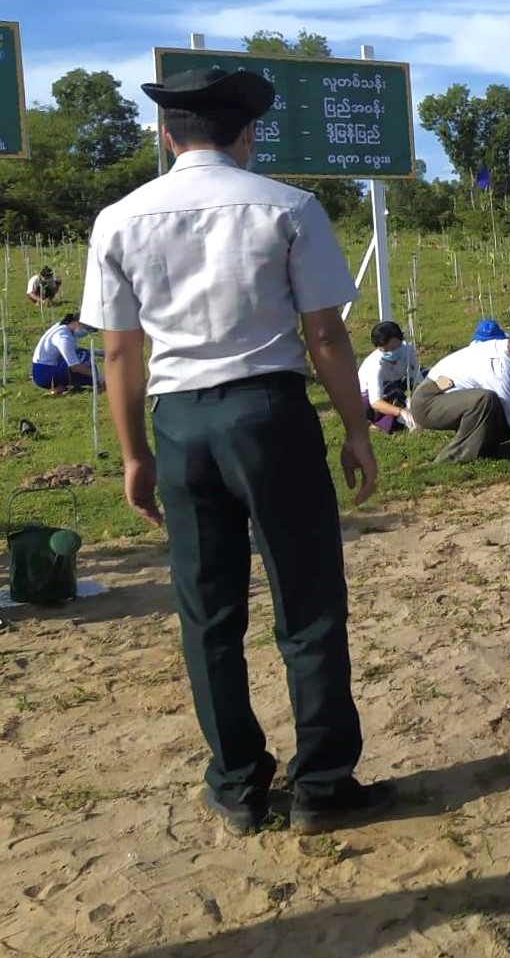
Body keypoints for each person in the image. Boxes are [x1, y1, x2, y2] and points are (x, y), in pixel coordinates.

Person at [81, 66, 388, 836]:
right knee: (308, 601)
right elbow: (325, 334)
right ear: (247, 133)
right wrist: (356, 428)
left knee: (208, 611)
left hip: (180, 423)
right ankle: (322, 784)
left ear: (166, 135)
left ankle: (238, 783)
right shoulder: (289, 208)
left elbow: (120, 353)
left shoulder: (119, 220)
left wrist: (134, 455)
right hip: (270, 416)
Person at [408, 325, 510, 463]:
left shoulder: (501, 348)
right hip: (427, 402)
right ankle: (451, 459)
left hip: (443, 394)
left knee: (503, 419)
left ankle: (483, 451)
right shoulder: (499, 365)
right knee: (484, 401)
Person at [357, 320, 425, 434]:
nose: (392, 353)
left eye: (396, 347)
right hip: (369, 397)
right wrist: (401, 412)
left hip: (395, 385)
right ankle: (377, 422)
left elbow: (417, 378)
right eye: (386, 350)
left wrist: (416, 399)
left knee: (429, 377)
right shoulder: (375, 364)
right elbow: (376, 402)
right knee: (391, 400)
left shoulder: (408, 351)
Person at [30, 314, 94, 391]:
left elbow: (72, 350)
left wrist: (100, 353)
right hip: (46, 374)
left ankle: (61, 385)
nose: (87, 332)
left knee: (81, 354)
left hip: (41, 371)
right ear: (78, 323)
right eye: (88, 329)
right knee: (83, 356)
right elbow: (75, 366)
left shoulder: (61, 328)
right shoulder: (63, 337)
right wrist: (97, 377)